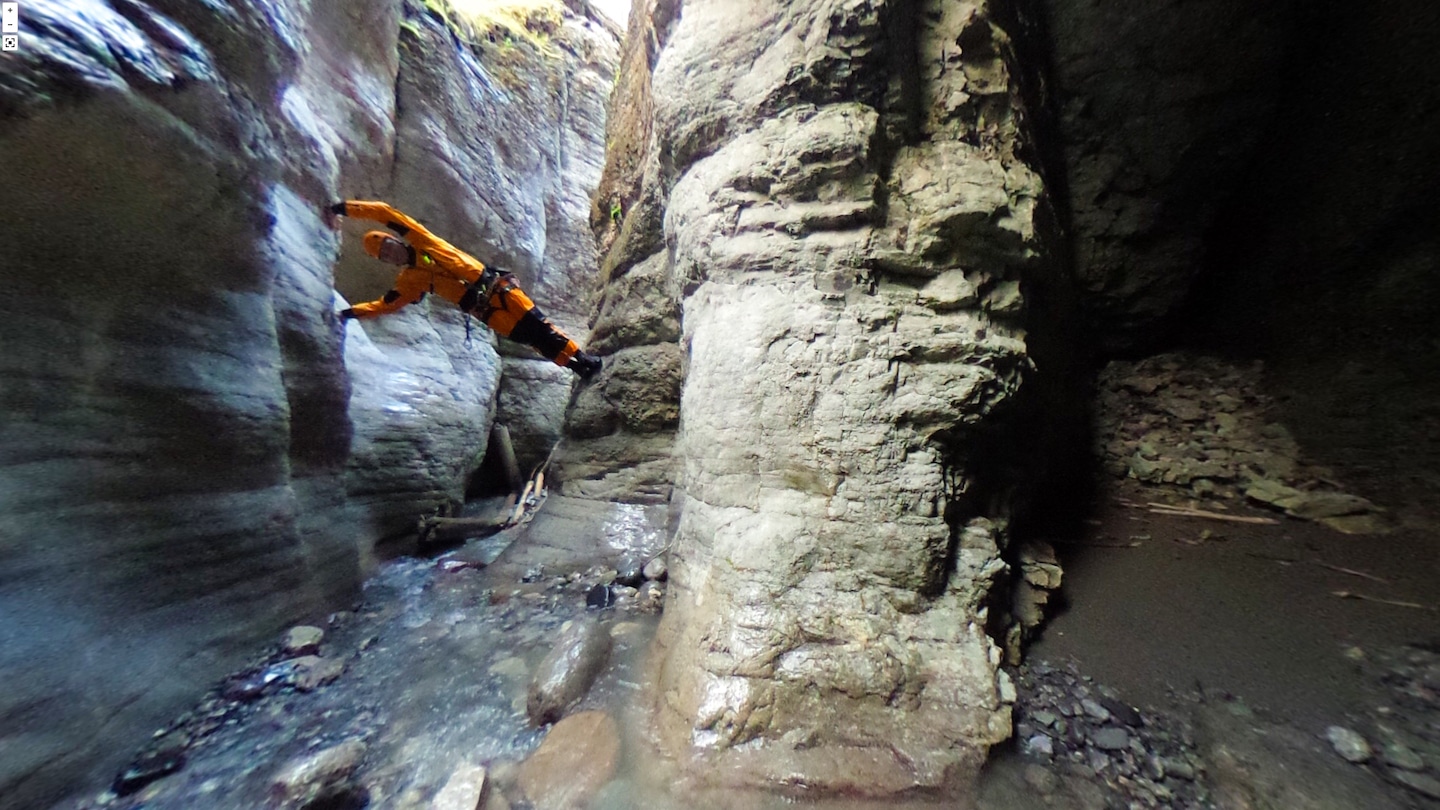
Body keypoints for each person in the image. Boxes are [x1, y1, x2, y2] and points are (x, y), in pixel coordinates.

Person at [326, 199, 602, 380]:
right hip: (483, 309)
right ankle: (577, 367)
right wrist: (350, 313)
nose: (390, 254)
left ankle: (582, 357)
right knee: (532, 339)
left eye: (388, 247)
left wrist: (345, 209)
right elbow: (385, 305)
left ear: (394, 240)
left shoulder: (421, 240)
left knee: (543, 326)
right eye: (384, 256)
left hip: (498, 288)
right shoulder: (409, 282)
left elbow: (385, 213)